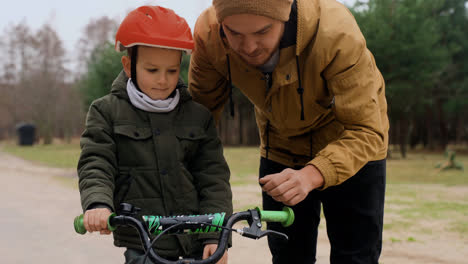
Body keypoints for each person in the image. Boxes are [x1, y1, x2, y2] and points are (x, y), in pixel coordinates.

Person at [188, 0, 389, 263]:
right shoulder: (208, 34)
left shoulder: (336, 32)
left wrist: (312, 174)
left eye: (262, 32)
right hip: (281, 147)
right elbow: (196, 125)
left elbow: (366, 129)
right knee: (288, 257)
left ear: (285, 16)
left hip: (351, 145)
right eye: (234, 33)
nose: (248, 47)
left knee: (356, 256)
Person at [78, 5, 231, 264]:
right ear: (129, 66)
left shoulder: (197, 115)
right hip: (143, 240)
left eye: (172, 71)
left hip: (197, 237)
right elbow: (96, 163)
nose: (163, 80)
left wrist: (216, 235)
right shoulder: (106, 112)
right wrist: (98, 204)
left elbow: (213, 177)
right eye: (152, 70)